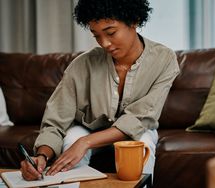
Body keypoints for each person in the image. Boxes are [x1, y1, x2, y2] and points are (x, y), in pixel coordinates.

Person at [20, 0, 180, 181]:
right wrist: (41, 157)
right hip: (89, 130)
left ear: (134, 21)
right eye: (96, 36)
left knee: (143, 144)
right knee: (72, 137)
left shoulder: (164, 59)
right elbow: (55, 121)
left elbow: (140, 118)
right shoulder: (82, 65)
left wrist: (85, 143)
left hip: (138, 131)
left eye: (111, 33)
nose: (105, 43)